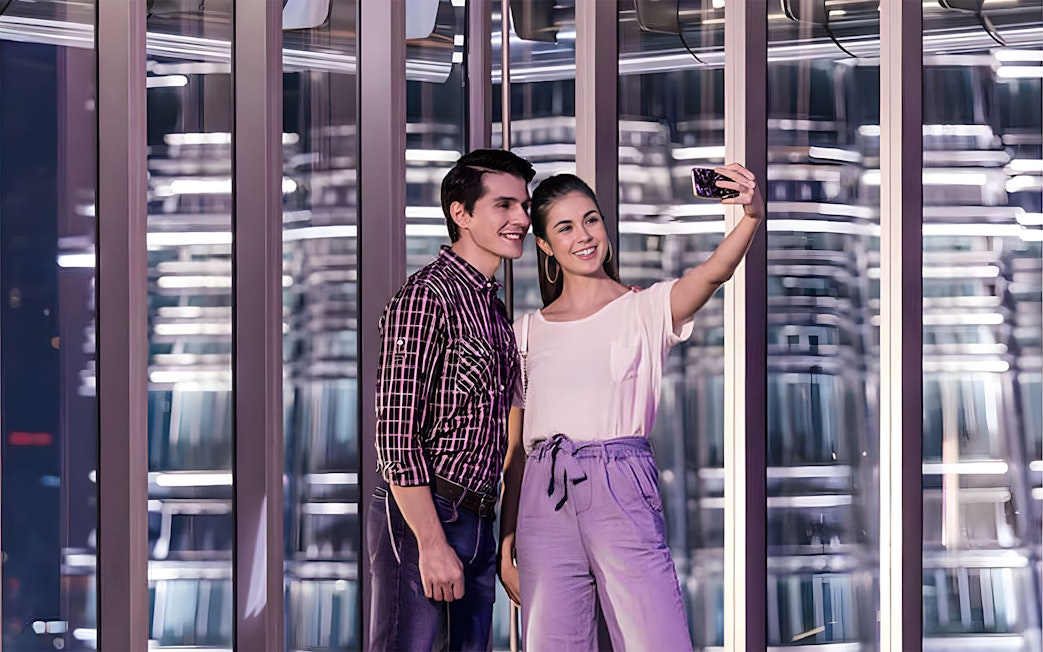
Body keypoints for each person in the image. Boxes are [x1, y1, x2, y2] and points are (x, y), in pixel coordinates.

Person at [497, 164, 765, 650]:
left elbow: (713, 273)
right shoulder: (525, 333)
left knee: (655, 639)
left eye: (591, 220)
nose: (584, 236)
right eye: (565, 227)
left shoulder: (644, 309)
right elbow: (516, 448)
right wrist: (507, 535)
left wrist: (751, 217)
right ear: (545, 245)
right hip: (543, 495)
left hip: (620, 483)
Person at [368, 148, 535, 651]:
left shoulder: (492, 310)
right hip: (430, 512)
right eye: (504, 205)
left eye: (525, 206)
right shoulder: (427, 297)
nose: (522, 219)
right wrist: (431, 541)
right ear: (460, 213)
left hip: (479, 517)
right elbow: (395, 434)